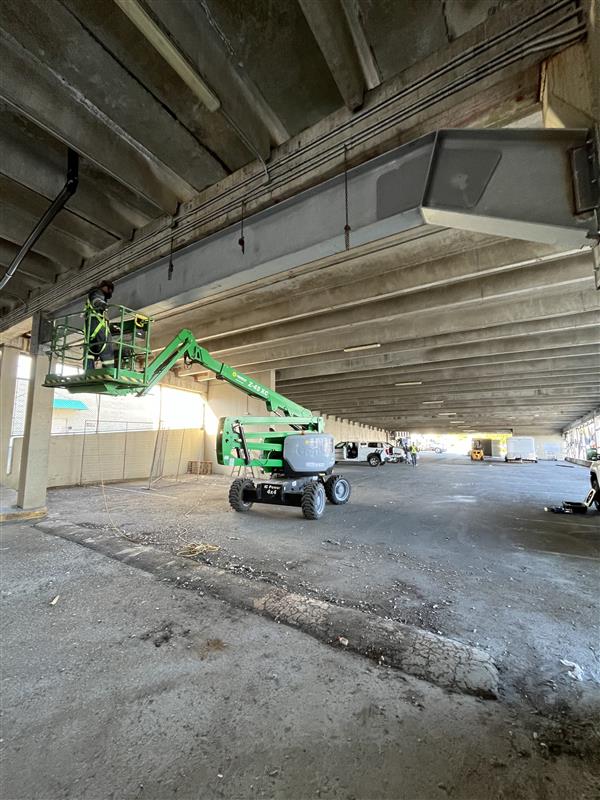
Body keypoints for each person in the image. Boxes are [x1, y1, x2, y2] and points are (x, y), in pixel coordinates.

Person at [84, 280, 115, 370]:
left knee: (91, 350)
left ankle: (88, 371)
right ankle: (109, 371)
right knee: (107, 347)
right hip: (97, 327)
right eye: (110, 290)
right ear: (106, 287)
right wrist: (102, 304)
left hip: (90, 329)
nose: (110, 293)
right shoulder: (98, 292)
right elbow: (96, 300)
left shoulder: (92, 294)